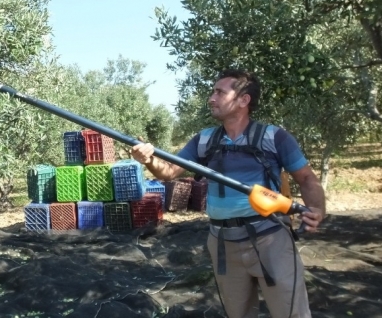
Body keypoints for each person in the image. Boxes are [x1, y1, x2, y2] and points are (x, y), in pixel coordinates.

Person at [131, 69, 325, 318]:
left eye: (220, 92)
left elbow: (307, 179)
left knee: (291, 313)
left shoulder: (274, 137)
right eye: (213, 92)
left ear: (244, 100)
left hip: (271, 239)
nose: (211, 98)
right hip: (223, 242)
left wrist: (318, 211)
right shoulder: (204, 140)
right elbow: (168, 172)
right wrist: (148, 159)